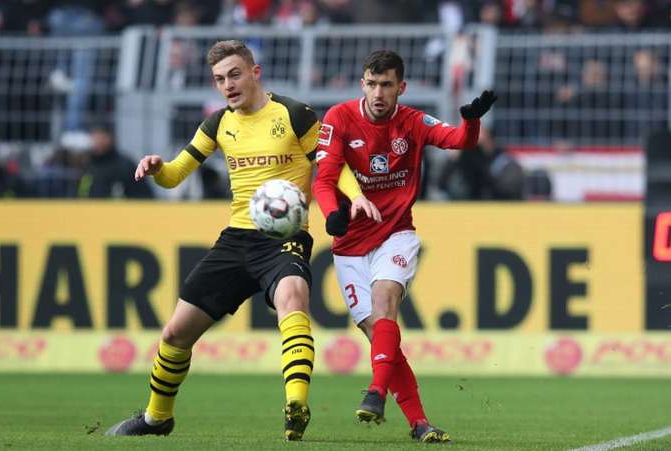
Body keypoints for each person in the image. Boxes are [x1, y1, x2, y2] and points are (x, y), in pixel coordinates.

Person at [104, 39, 369, 441]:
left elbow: (331, 166)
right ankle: (157, 418)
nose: (227, 85)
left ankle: (296, 403)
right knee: (175, 333)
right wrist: (157, 167)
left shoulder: (294, 115)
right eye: (218, 79)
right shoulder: (218, 124)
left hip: (284, 236)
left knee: (292, 296)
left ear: (254, 72)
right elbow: (176, 174)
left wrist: (358, 196)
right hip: (236, 240)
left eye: (234, 74)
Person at [312, 50, 496, 443]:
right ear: (363, 84)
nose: (379, 92)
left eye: (387, 85)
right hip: (348, 247)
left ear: (401, 87)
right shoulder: (338, 118)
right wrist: (331, 215)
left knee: (385, 303)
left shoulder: (411, 122)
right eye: (372, 83)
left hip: (396, 232)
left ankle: (376, 393)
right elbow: (324, 180)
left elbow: (460, 141)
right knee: (382, 340)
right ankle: (419, 423)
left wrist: (472, 119)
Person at [77, 124, 154, 198]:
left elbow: (143, 195)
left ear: (111, 138)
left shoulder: (125, 165)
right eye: (95, 137)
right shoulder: (86, 164)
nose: (99, 141)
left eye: (102, 137)